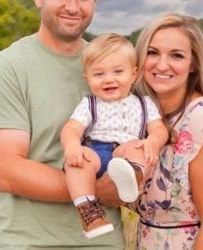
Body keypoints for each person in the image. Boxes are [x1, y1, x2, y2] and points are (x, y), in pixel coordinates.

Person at [0, 1, 126, 249]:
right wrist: (95, 191)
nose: (73, 6)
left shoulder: (111, 67)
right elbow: (8, 172)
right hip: (26, 241)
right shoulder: (10, 66)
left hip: (104, 242)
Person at [117, 13, 203, 249]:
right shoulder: (143, 117)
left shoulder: (202, 121)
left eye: (176, 56)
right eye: (152, 52)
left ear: (193, 65)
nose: (161, 65)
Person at [60, 33, 169, 239]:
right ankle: (89, 213)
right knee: (78, 162)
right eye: (99, 74)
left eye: (118, 71)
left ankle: (132, 176)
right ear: (87, 79)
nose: (109, 79)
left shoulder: (144, 103)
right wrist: (72, 146)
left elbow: (159, 129)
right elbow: (71, 129)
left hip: (125, 153)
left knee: (137, 148)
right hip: (96, 151)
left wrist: (152, 142)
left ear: (134, 74)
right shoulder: (89, 104)